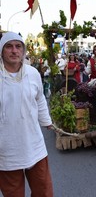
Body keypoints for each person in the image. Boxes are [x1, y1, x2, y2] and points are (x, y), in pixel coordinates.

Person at [0, 32, 53, 196]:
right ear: (2, 51)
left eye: (18, 46)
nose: (14, 51)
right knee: (13, 192)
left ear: (23, 51)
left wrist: (46, 121)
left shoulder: (32, 73)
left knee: (43, 190)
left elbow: (40, 99)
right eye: (9, 46)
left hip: (33, 142)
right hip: (6, 146)